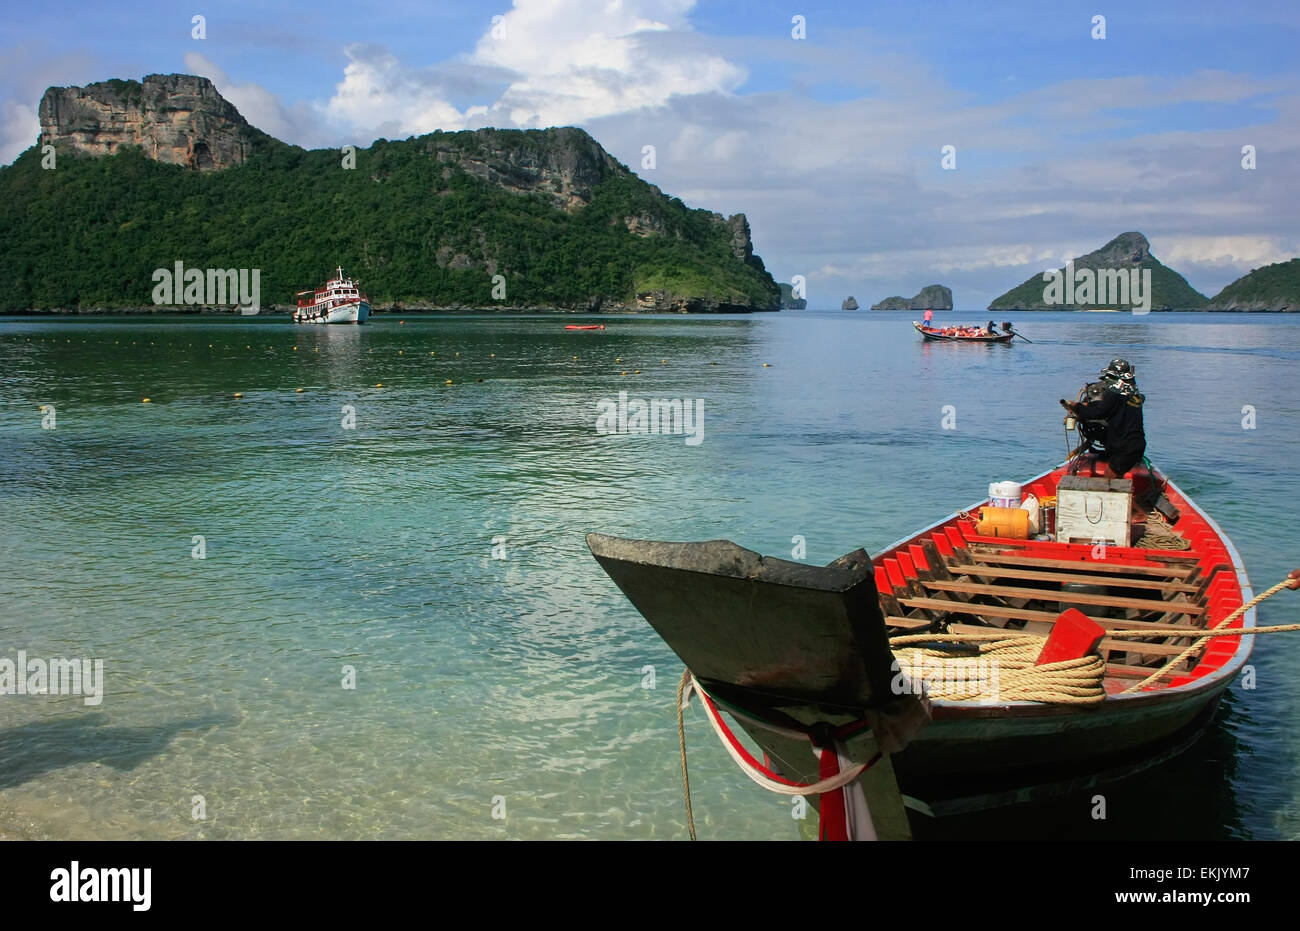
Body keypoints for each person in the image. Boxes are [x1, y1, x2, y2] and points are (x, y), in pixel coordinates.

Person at [1062, 358, 1146, 479]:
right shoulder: (1133, 394)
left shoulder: (1114, 394)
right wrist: (1089, 406)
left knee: (1108, 479)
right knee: (1115, 476)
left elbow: (1098, 413)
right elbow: (1111, 408)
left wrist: (1077, 407)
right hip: (1135, 444)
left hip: (1125, 447)